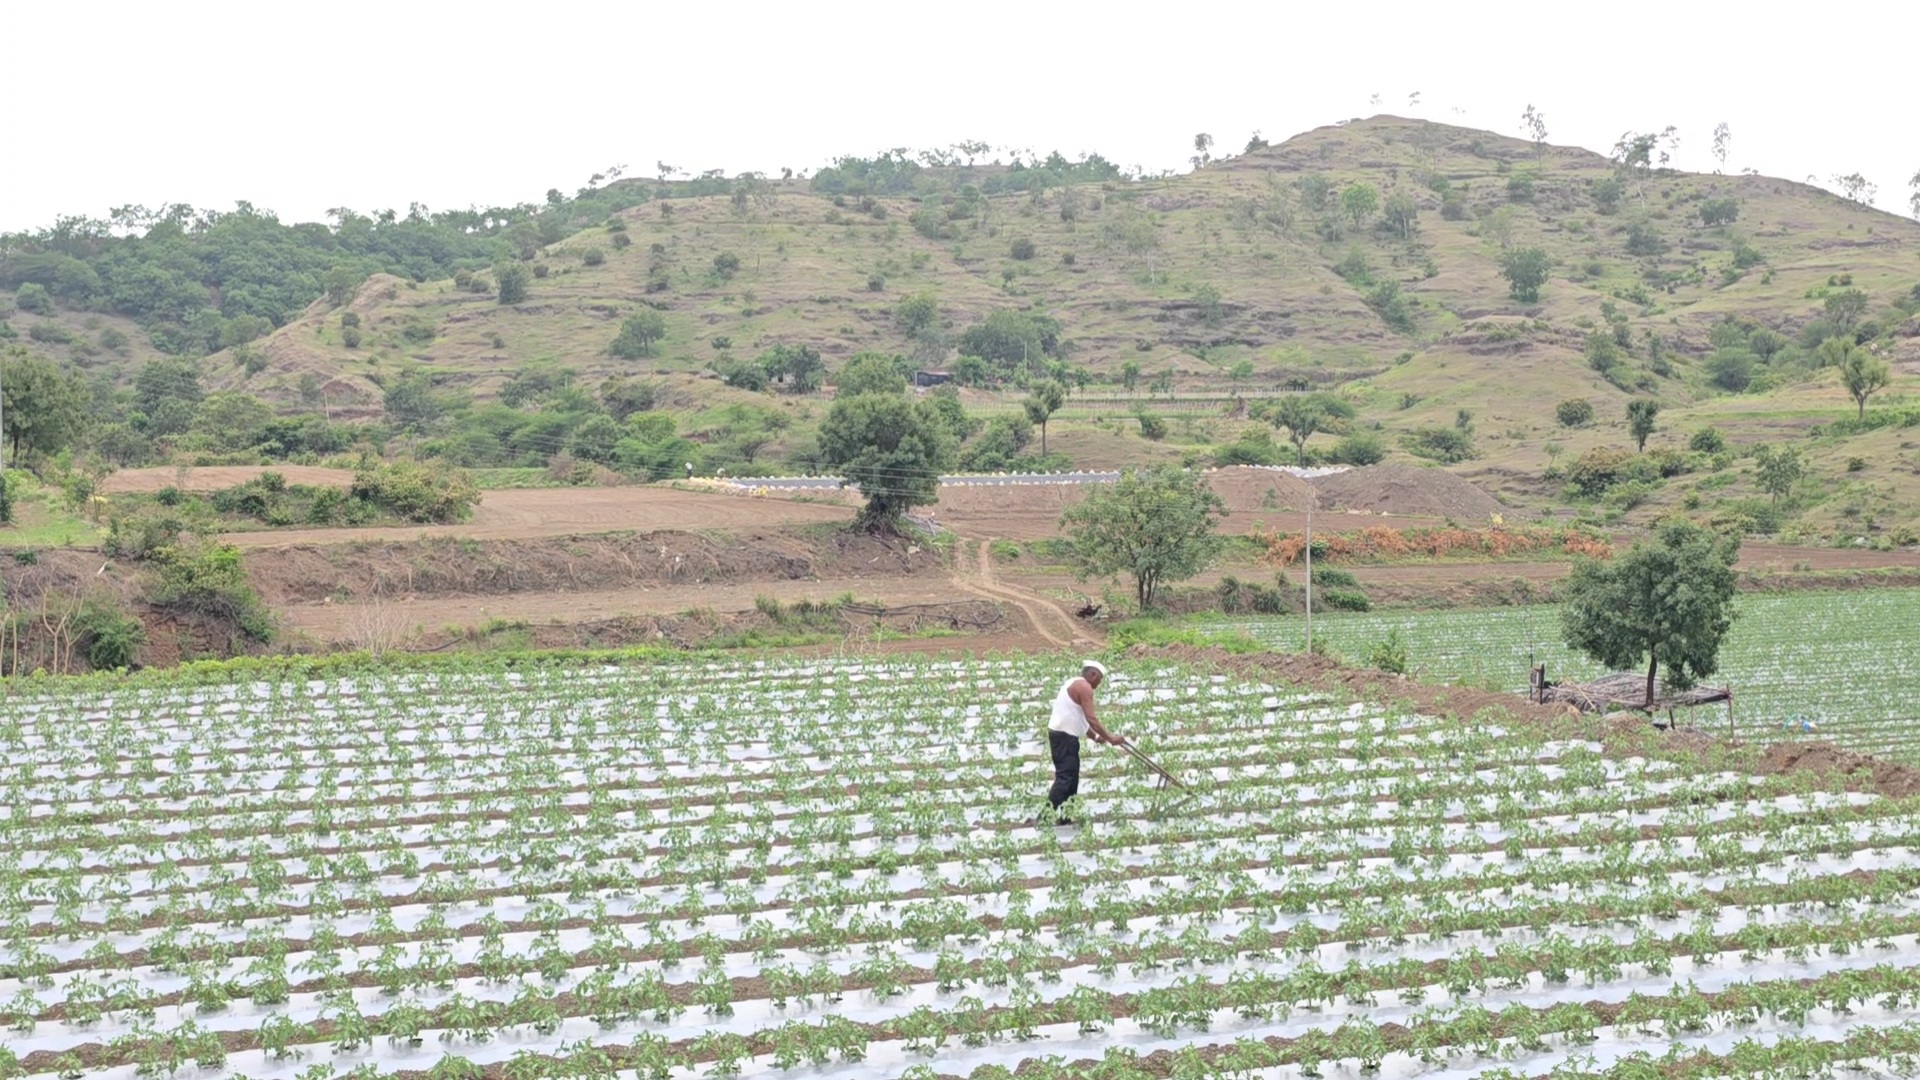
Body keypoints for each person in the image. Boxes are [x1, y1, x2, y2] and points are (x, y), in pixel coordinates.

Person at [1044, 660, 1124, 824]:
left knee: (1072, 779)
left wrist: (1095, 737)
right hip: (1063, 738)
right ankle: (1043, 818)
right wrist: (1111, 738)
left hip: (1066, 736)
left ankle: (1066, 818)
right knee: (1065, 778)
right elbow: (1092, 719)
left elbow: (1080, 719)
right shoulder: (1084, 688)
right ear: (1093, 674)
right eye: (1100, 679)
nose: (1099, 683)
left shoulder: (1074, 683)